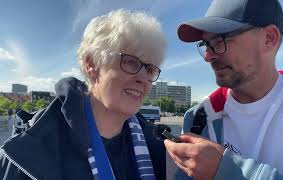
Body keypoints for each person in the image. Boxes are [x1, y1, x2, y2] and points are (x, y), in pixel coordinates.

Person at [0, 9, 167, 180]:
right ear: (92, 64)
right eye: (131, 62)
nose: (144, 79)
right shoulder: (31, 150)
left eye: (150, 69)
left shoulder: (159, 145)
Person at [164, 0, 283, 179]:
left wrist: (228, 171)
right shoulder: (200, 118)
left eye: (220, 40)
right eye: (206, 44)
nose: (208, 56)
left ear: (269, 38)